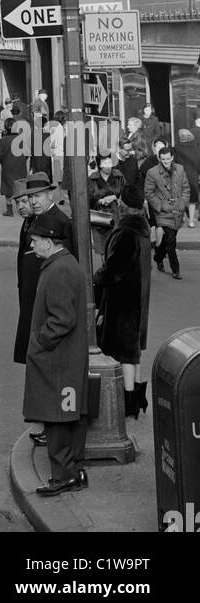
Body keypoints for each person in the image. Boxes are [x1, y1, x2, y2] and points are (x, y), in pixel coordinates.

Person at [24, 209, 90, 496]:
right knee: (69, 419)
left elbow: (62, 319)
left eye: (35, 240)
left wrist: (41, 341)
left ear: (49, 242)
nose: (32, 245)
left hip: (58, 360)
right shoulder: (64, 264)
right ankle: (74, 472)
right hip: (66, 358)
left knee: (57, 420)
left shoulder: (59, 269)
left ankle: (63, 476)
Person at [93, 187, 151, 419]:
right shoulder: (141, 230)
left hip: (123, 301)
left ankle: (128, 402)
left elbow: (114, 268)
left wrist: (96, 278)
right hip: (138, 298)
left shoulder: (126, 232)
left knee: (125, 353)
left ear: (125, 205)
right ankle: (136, 397)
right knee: (134, 352)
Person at [13, 174, 72, 368]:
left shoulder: (60, 221)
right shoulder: (34, 219)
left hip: (46, 300)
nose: (33, 202)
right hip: (31, 296)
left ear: (50, 194)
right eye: (30, 197)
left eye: (37, 196)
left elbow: (66, 264)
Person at [144, 145, 190, 280]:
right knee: (171, 240)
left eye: (168, 159)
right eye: (163, 159)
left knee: (169, 238)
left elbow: (186, 188)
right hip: (163, 212)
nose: (165, 162)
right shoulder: (152, 172)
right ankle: (176, 269)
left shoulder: (180, 169)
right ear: (159, 158)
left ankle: (158, 257)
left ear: (172, 157)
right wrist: (160, 205)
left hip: (178, 210)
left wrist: (182, 203)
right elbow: (149, 192)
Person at [0, 118, 28, 217]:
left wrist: (4, 162)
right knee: (21, 188)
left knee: (8, 188)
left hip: (8, 166)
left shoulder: (3, 140)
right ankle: (23, 210)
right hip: (20, 166)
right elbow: (27, 153)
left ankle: (9, 210)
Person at [173, 128, 199, 228]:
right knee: (192, 200)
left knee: (181, 198)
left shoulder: (176, 148)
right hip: (193, 175)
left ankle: (182, 218)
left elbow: (174, 162)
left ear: (181, 137)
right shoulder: (196, 148)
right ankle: (191, 221)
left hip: (180, 175)